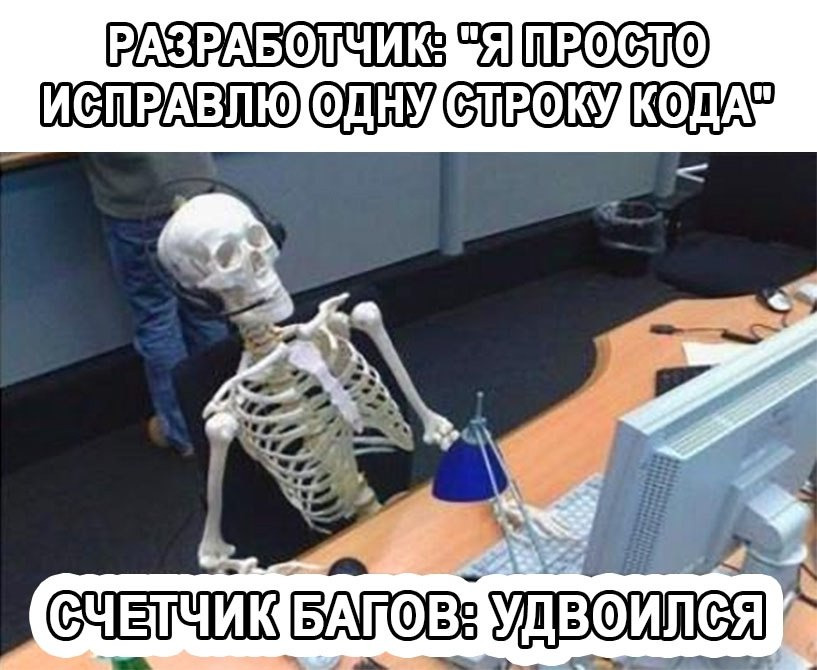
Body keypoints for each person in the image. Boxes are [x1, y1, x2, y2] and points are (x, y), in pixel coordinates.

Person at [81, 153, 230, 458]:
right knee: (206, 308)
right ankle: (228, 415)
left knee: (157, 319)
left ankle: (183, 431)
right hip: (197, 190)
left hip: (138, 206)